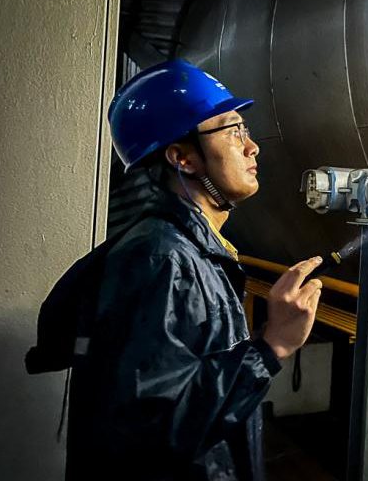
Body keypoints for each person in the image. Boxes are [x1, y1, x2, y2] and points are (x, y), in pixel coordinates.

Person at [65, 59, 323, 480]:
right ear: (182, 158)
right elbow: (155, 428)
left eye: (246, 130)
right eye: (232, 130)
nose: (251, 146)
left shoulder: (194, 251)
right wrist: (272, 345)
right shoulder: (161, 259)